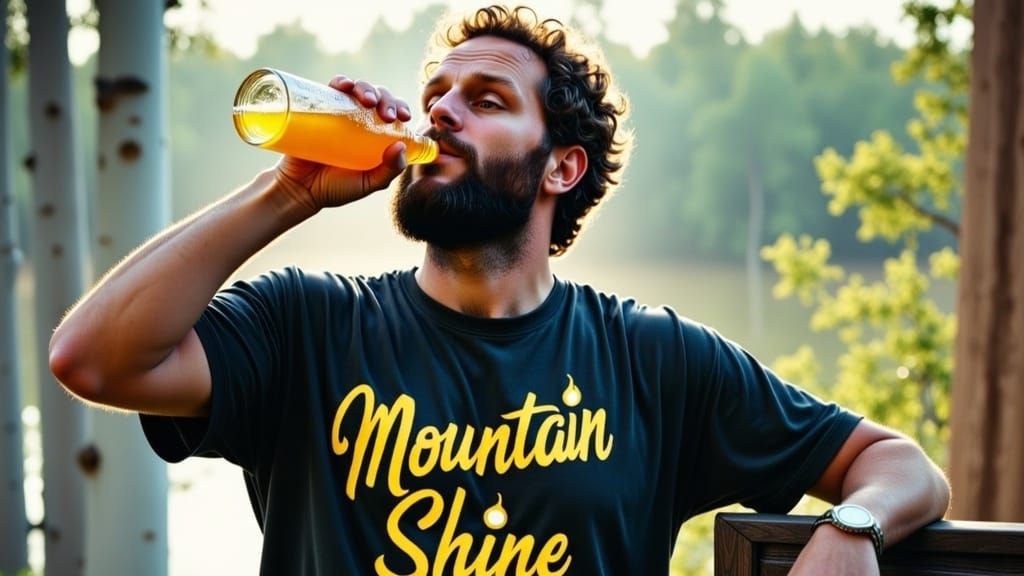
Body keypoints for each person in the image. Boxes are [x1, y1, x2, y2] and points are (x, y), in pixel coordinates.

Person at [50, 4, 950, 575]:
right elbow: (92, 357)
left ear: (561, 165)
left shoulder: (652, 357)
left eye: (485, 99)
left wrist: (853, 529)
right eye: (435, 93)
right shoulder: (308, 327)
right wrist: (287, 191)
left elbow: (902, 467)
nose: (438, 110)